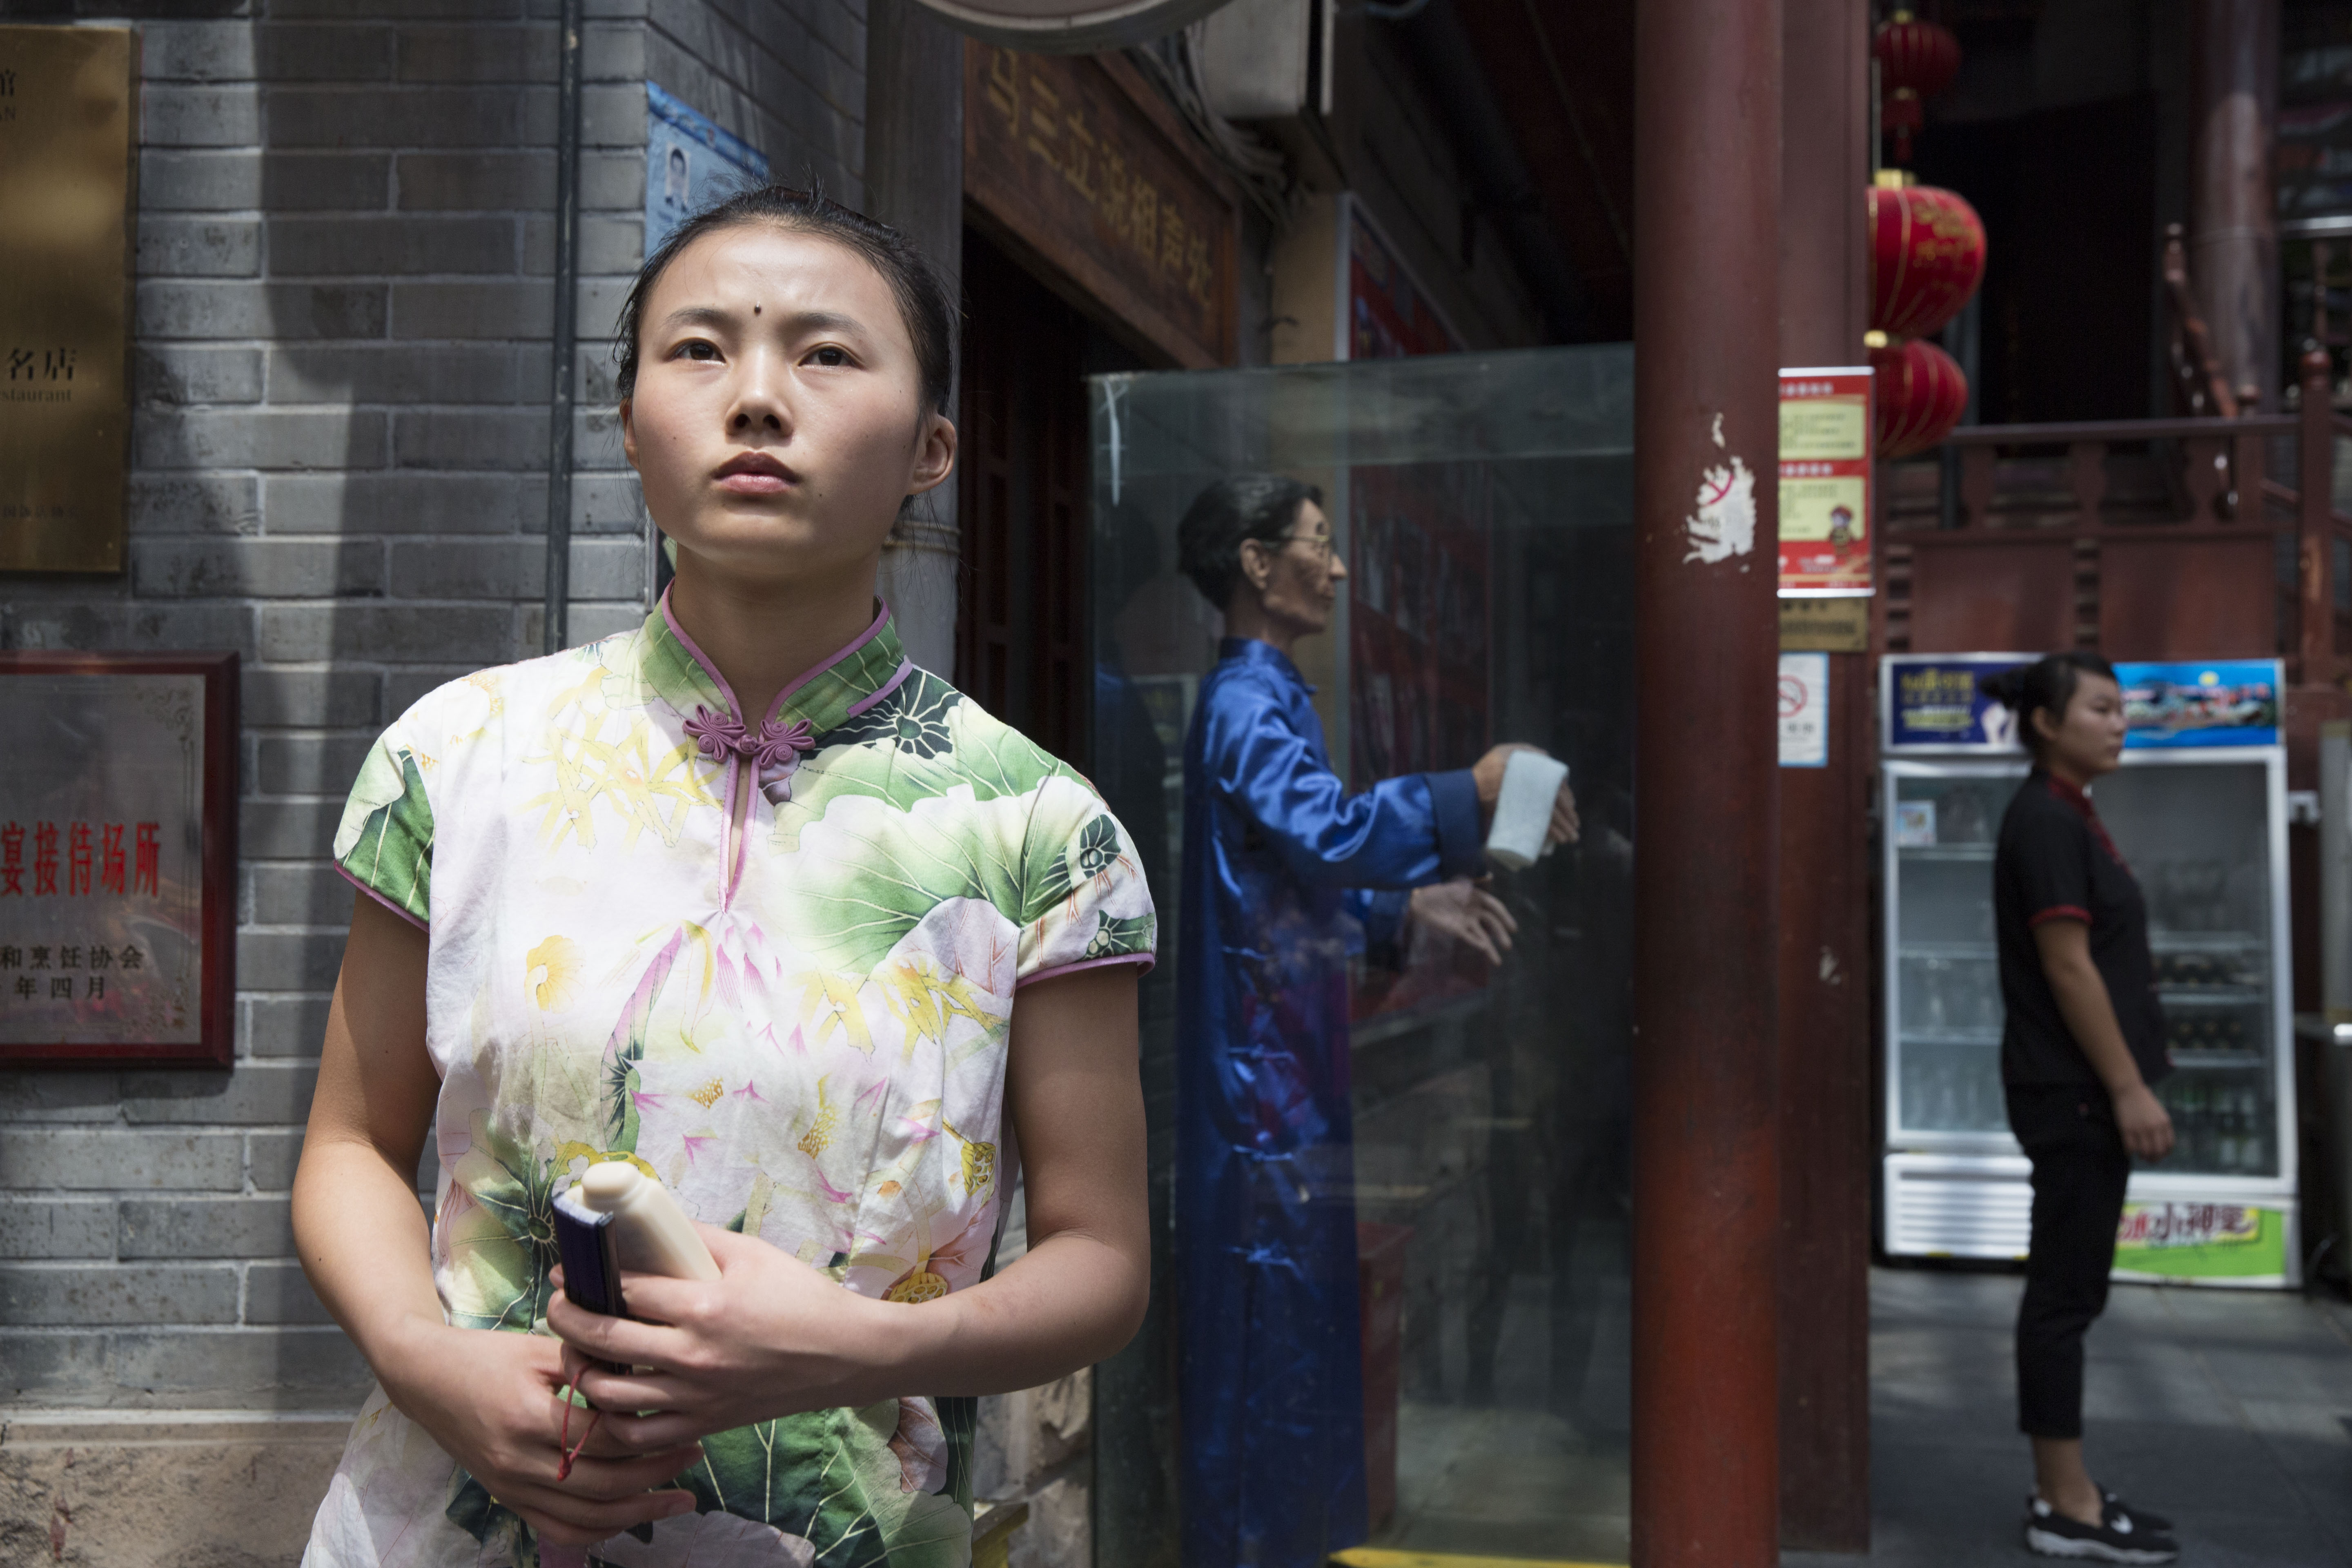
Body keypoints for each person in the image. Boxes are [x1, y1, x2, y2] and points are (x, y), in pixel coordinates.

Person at [291, 186, 1157, 1566]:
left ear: (931, 448)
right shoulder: (458, 757)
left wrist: (855, 1347)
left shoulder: (1040, 829)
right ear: (631, 423)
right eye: (699, 350)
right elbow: (349, 1145)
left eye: (827, 354)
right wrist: (427, 1359)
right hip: (443, 1525)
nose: (756, 397)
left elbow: (1101, 1262)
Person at [1172, 474, 1577, 1568]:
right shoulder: (1246, 704)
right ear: (1258, 564)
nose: (1340, 568)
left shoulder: (1269, 698)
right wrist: (1469, 790)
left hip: (1285, 1071)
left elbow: (1292, 882)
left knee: (1295, 1336)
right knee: (1267, 1344)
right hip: (1259, 1086)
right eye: (1319, 543)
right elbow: (1326, 833)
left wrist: (1407, 909)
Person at [1981, 653, 2180, 1565]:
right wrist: (2127, 1087)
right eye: (2099, 708)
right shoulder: (2047, 821)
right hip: (2076, 1095)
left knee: (2074, 1289)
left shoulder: (2069, 812)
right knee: (2064, 1296)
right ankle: (2065, 1504)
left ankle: (2071, 1490)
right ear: (2047, 723)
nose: (2118, 722)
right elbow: (2068, 966)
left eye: (2120, 708)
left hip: (2079, 1091)